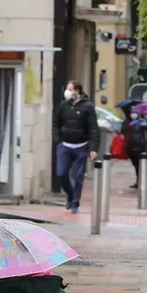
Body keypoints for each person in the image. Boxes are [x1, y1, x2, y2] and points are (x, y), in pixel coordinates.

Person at [54, 81, 99, 213]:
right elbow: (56, 123)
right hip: (65, 145)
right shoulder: (63, 105)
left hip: (81, 146)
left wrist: (93, 148)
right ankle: (70, 194)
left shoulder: (88, 106)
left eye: (70, 89)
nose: (67, 92)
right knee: (61, 173)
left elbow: (93, 128)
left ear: (77, 91)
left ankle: (75, 202)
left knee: (78, 176)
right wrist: (57, 139)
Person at [123, 113, 147, 189]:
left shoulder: (142, 122)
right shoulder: (128, 121)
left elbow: (146, 133)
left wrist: (145, 126)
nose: (133, 114)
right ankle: (138, 181)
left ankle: (140, 181)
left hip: (140, 147)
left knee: (140, 165)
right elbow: (122, 130)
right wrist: (128, 125)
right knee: (136, 165)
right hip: (131, 147)